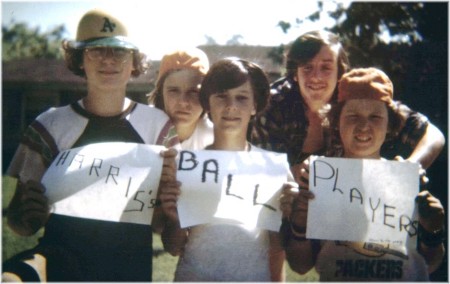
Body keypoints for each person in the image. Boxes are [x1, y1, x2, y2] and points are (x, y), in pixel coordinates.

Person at [2, 9, 179, 282]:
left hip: (129, 268)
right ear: (79, 59)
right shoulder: (49, 124)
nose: (108, 60)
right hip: (61, 263)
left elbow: (160, 225)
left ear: (134, 62)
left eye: (119, 52)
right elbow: (18, 223)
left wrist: (167, 202)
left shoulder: (158, 126)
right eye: (96, 50)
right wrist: (28, 214)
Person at [279, 67, 445, 281]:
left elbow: (430, 264)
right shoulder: (321, 181)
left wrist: (434, 230)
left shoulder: (408, 179)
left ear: (390, 125)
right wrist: (299, 224)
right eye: (352, 116)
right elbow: (300, 266)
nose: (364, 126)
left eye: (375, 117)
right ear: (336, 122)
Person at [250, 30, 445, 185]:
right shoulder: (271, 104)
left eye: (326, 67)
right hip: (286, 203)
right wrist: (291, 173)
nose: (316, 76)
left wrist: (411, 168)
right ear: (294, 73)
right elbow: (260, 169)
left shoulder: (355, 96)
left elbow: (433, 135)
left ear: (340, 72)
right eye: (307, 67)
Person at [159, 58, 287, 281]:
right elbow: (172, 247)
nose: (231, 106)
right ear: (207, 103)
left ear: (255, 105)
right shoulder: (185, 165)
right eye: (221, 96)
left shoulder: (274, 169)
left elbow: (278, 248)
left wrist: (292, 215)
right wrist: (175, 219)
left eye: (242, 97)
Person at [148, 48, 214, 150]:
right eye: (173, 91)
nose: (183, 102)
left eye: (193, 92)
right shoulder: (142, 127)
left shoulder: (215, 138)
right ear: (161, 93)